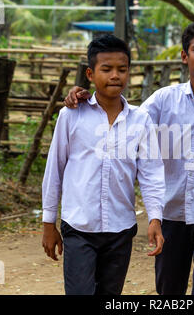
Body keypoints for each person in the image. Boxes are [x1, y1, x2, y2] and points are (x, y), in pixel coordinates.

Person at [63, 20, 194, 295]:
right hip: (171, 215)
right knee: (169, 292)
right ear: (185, 57)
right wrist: (85, 99)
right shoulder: (164, 101)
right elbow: (126, 117)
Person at [42, 34, 165, 295]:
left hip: (121, 229)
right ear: (90, 73)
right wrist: (48, 223)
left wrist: (155, 218)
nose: (114, 76)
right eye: (106, 69)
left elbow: (151, 173)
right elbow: (55, 169)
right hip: (79, 227)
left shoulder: (141, 119)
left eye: (122, 69)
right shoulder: (71, 115)